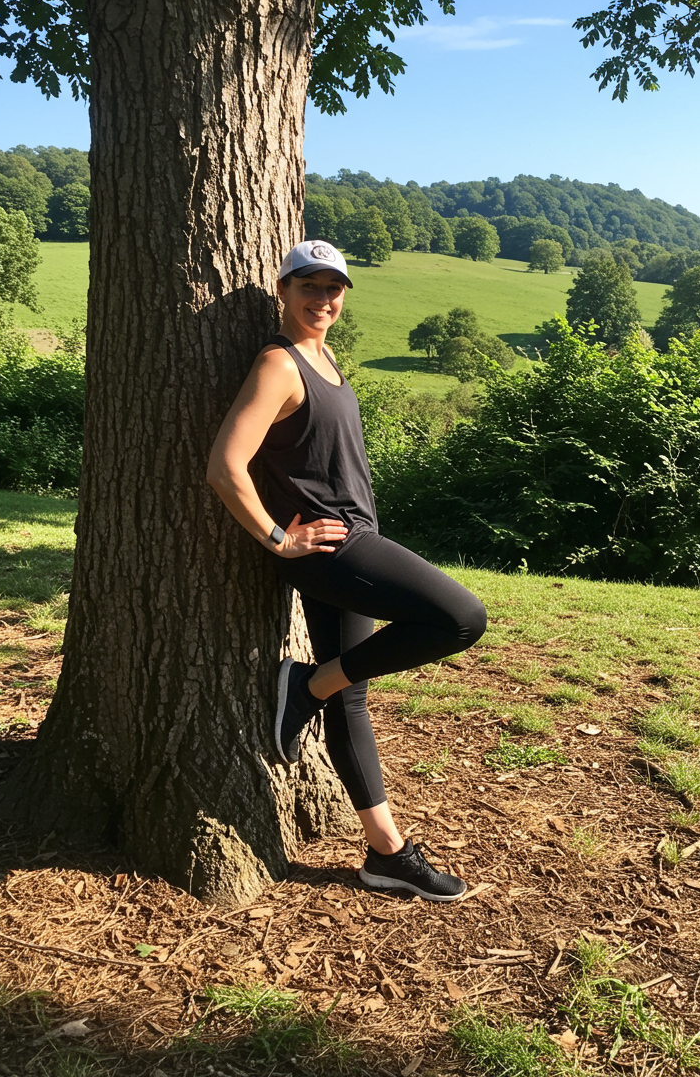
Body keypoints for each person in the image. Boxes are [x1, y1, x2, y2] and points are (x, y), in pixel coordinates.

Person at [207, 239, 487, 901]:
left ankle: (386, 853)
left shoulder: (323, 357)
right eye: (310, 286)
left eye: (334, 289)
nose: (325, 299)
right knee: (461, 618)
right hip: (334, 550)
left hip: (355, 539)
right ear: (283, 290)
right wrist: (279, 538)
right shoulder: (279, 365)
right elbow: (225, 465)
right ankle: (307, 683)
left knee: (349, 695)